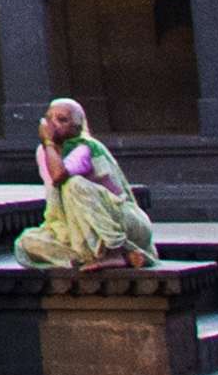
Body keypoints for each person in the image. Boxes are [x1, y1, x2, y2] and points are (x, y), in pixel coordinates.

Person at [15, 96, 157, 270]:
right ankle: (93, 258)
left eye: (62, 120)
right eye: (49, 118)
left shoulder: (84, 147)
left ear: (77, 127)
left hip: (121, 222)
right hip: (80, 227)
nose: (53, 125)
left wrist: (49, 142)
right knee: (26, 243)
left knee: (73, 185)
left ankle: (116, 252)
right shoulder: (44, 152)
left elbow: (59, 176)